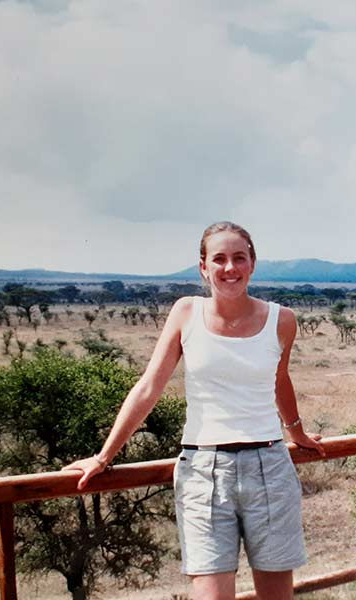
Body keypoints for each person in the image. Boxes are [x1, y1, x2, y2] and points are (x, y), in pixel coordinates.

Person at [63, 221, 325, 600]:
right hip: (204, 471)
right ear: (203, 267)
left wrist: (296, 434)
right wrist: (104, 457)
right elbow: (149, 387)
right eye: (218, 259)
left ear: (253, 263)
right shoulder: (186, 313)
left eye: (239, 257)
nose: (229, 268)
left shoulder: (281, 319)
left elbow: (279, 379)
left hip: (270, 465)